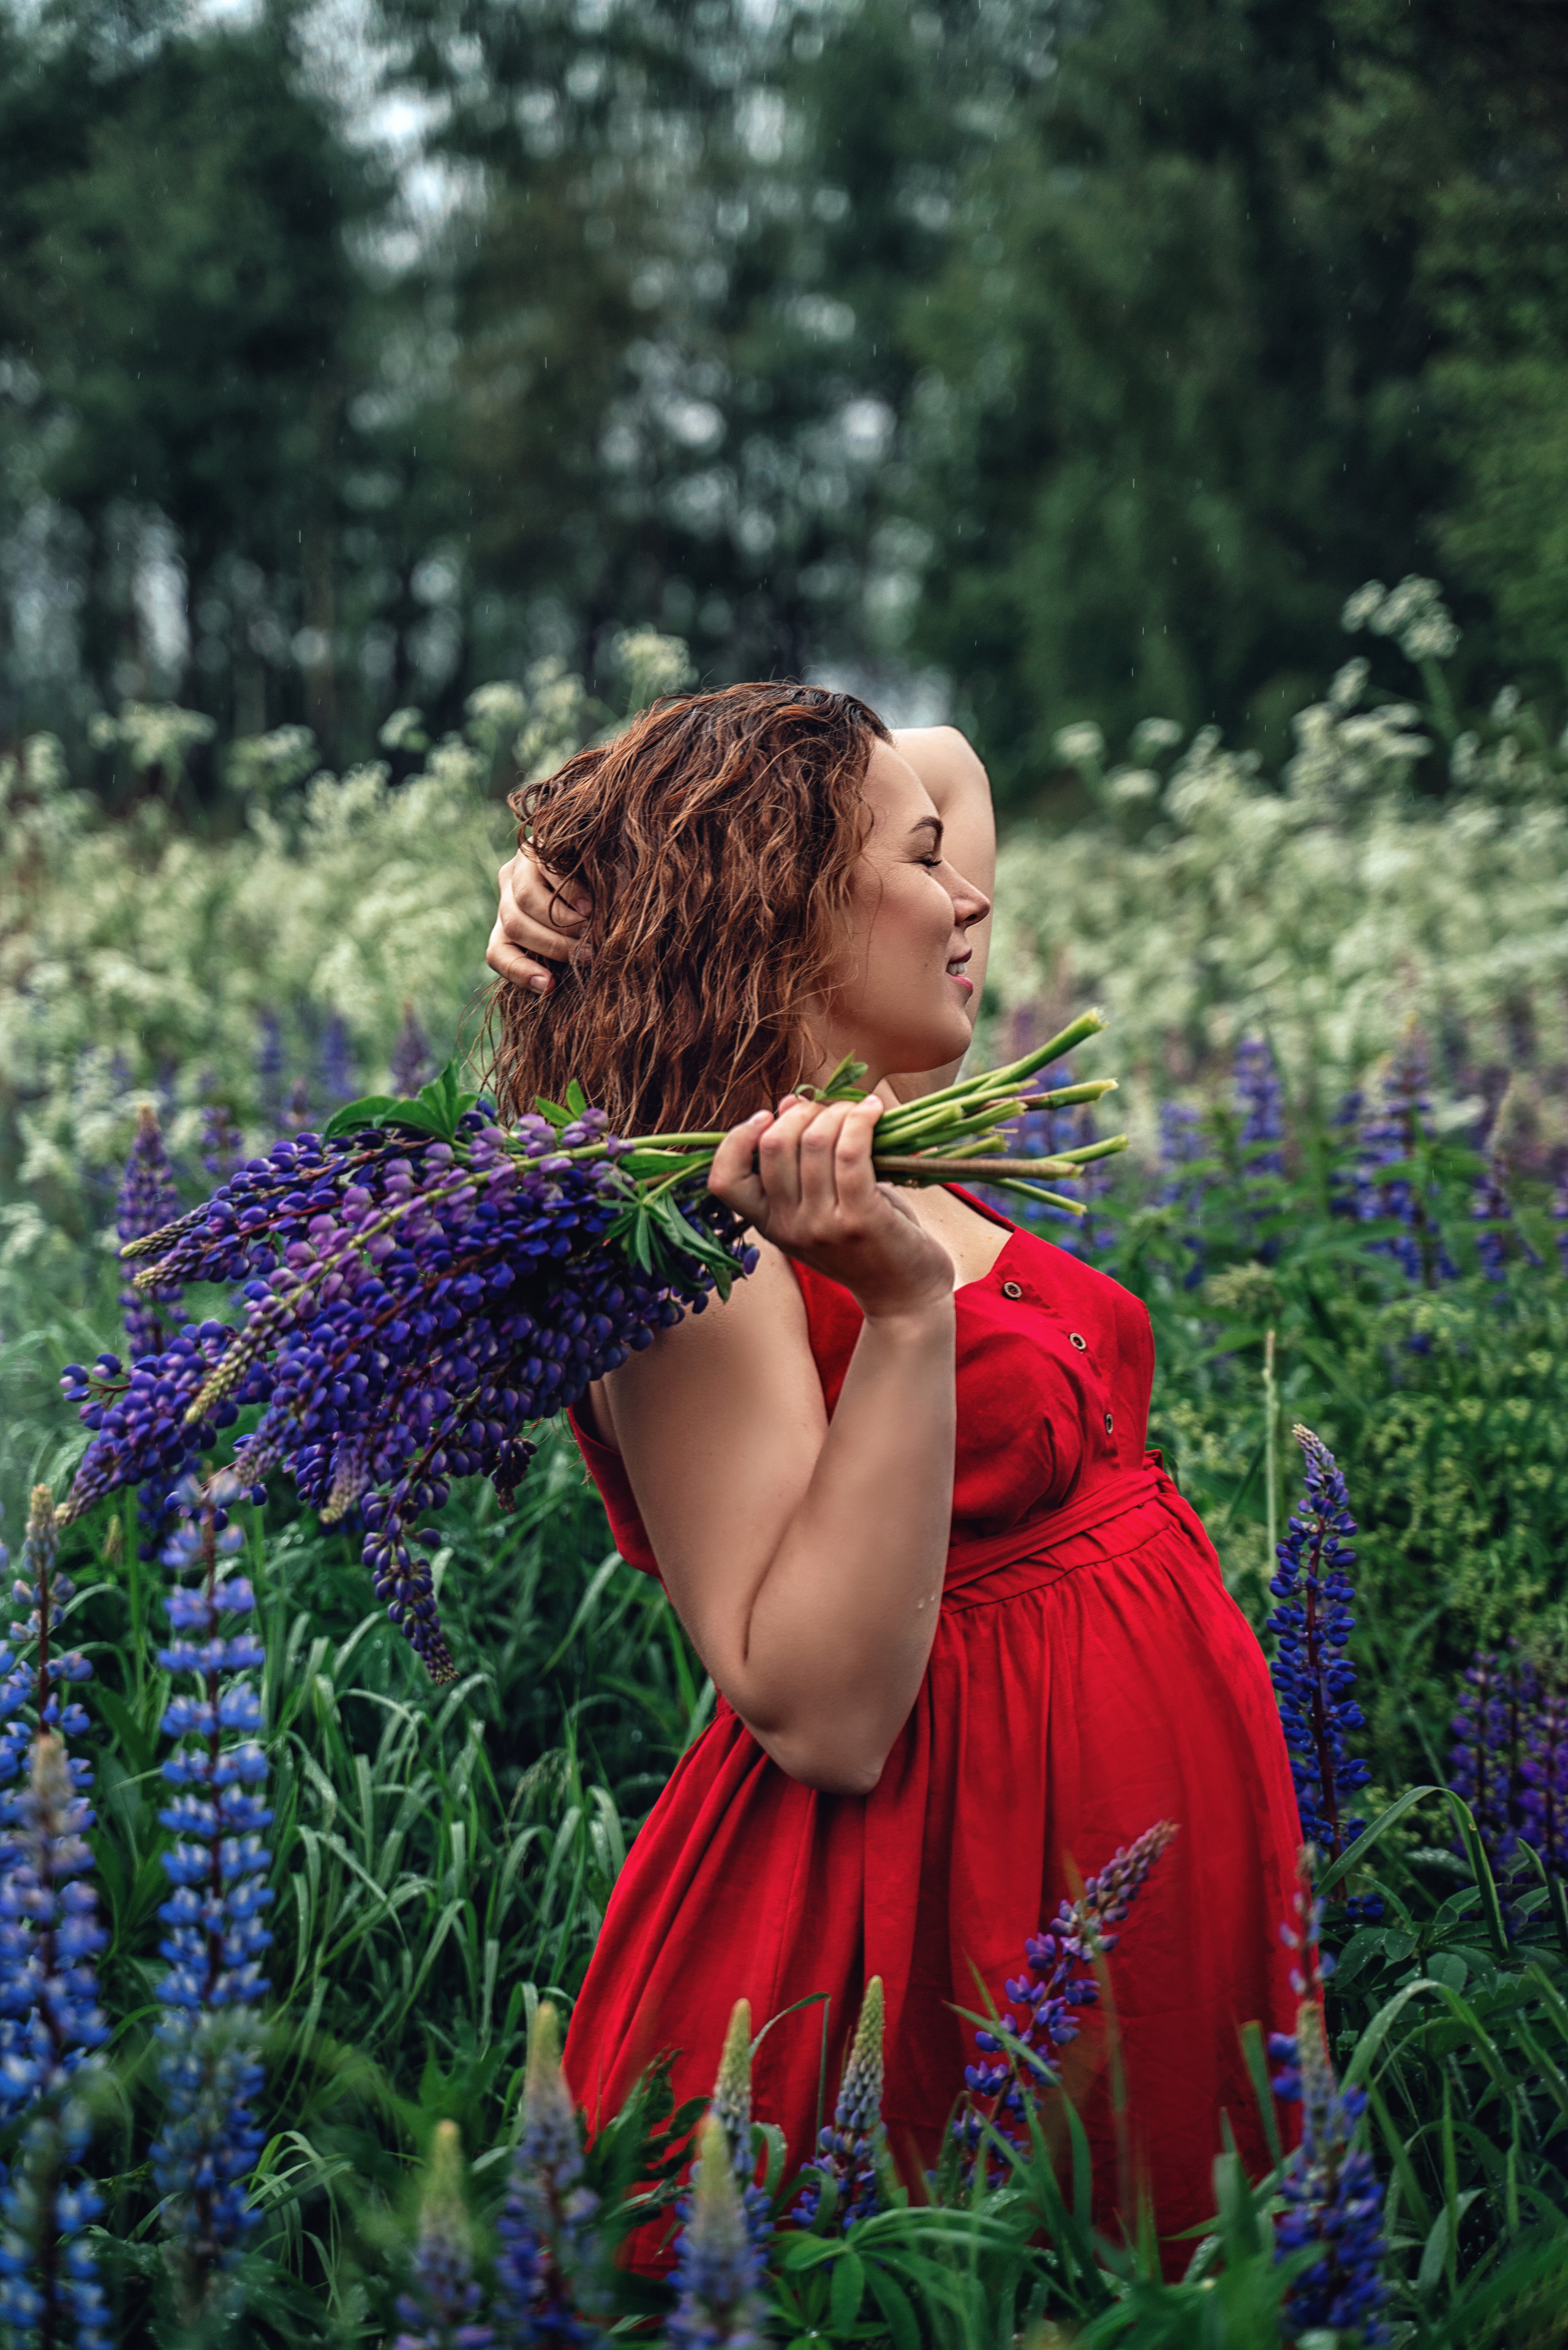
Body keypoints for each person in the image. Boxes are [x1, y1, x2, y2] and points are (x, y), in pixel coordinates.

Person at [486, 681, 1302, 2267]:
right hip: (926, 1945)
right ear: (792, 912)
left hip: (1114, 1902)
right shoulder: (697, 1247)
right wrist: (914, 1311)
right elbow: (823, 1711)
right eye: (926, 867)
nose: (972, 895)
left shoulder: (879, 1123)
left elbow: (938, 764)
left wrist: (587, 854)